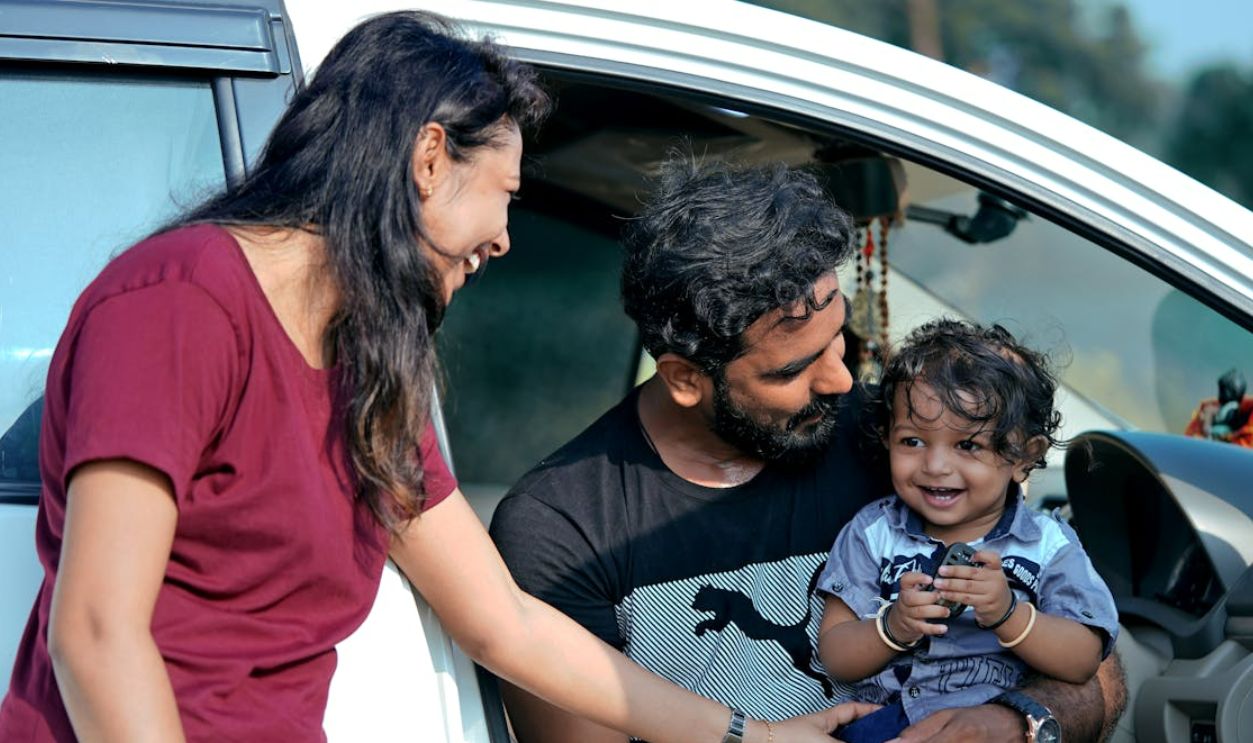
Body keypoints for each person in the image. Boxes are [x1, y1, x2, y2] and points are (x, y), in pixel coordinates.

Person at [0, 13, 867, 743]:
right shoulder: (182, 301)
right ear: (428, 160)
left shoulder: (368, 360)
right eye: (504, 193)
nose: (503, 239)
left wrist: (747, 732)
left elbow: (507, 623)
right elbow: (98, 632)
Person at [490, 156, 1127, 743]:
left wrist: (1017, 723)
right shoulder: (563, 529)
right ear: (686, 378)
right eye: (794, 369)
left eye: (839, 340)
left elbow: (1094, 670)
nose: (843, 382)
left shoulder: (904, 442)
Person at [816, 319, 1119, 743]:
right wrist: (894, 627)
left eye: (968, 445)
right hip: (883, 724)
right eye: (912, 442)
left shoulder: (1047, 546)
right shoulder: (873, 532)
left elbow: (1084, 659)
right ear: (886, 437)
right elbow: (835, 655)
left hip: (995, 724)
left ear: (1023, 456)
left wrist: (1008, 614)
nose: (936, 466)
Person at [1184, 368, 1253, 447]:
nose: (1220, 394)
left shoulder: (1241, 419)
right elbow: (1189, 441)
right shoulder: (1208, 412)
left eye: (1224, 390)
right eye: (1221, 390)